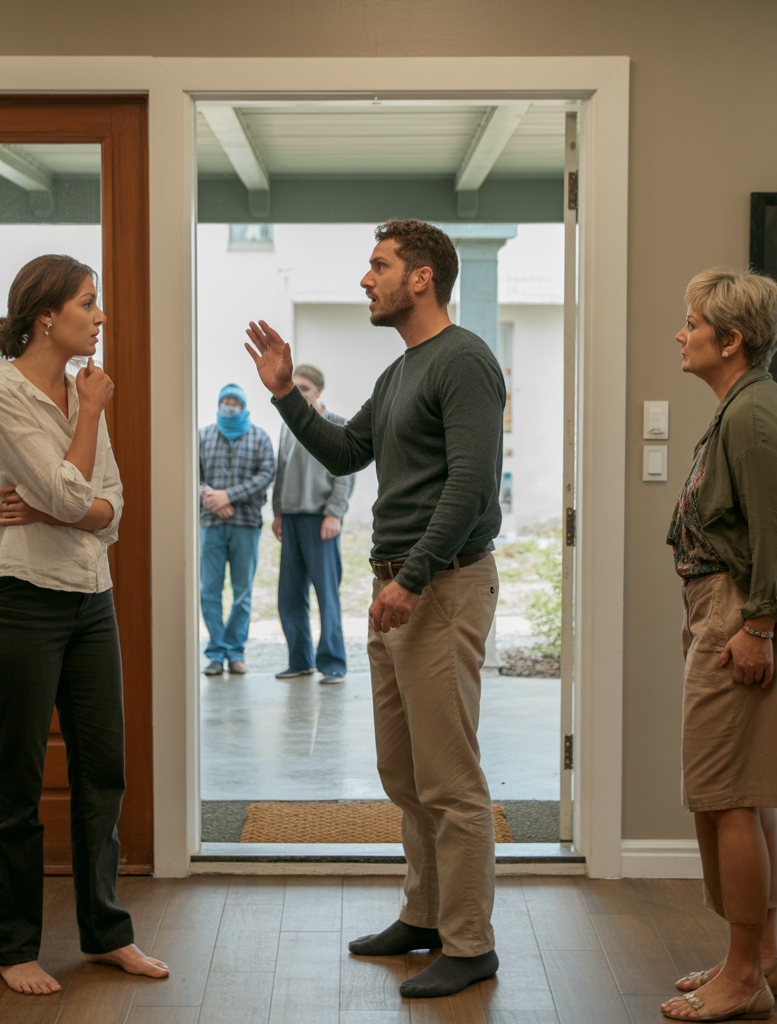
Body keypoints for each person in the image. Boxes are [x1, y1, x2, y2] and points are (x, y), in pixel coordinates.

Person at [246, 219, 505, 999]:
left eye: (380, 265)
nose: (367, 278)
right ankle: (424, 916)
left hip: (439, 586)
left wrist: (414, 578)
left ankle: (470, 943)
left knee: (451, 780)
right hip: (397, 588)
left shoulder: (464, 362)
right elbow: (346, 452)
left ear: (422, 277)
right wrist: (285, 394)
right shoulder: (402, 372)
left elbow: (469, 487)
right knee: (406, 772)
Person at [0, 254, 168, 996]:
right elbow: (68, 488)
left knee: (102, 772)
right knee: (16, 781)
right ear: (47, 315)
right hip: (19, 598)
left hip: (90, 597)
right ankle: (13, 947)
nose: (100, 315)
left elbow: (107, 507)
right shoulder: (1, 396)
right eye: (89, 303)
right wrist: (82, 440)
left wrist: (64, 503)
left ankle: (106, 932)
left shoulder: (82, 392)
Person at [661, 269, 777, 1022]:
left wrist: (758, 627)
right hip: (734, 607)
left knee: (724, 797)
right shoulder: (746, 406)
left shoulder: (752, 414)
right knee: (743, 794)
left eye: (691, 324)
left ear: (732, 340)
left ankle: (744, 973)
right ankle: (761, 959)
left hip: (742, 612)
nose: (680, 335)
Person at [272, 363, 354, 685]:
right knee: (289, 596)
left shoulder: (337, 425)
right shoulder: (288, 425)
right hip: (290, 520)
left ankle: (333, 664)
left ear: (318, 391)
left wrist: (335, 513)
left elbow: (345, 473)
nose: (299, 393)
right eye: (296, 388)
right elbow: (281, 470)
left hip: (322, 521)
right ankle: (299, 660)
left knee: (327, 595)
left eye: (304, 388)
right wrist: (278, 511)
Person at [199, 382, 275, 676]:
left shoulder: (260, 438)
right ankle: (216, 652)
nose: (229, 406)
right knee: (209, 590)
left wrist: (229, 496)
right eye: (225, 401)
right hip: (211, 525)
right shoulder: (203, 436)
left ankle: (236, 651)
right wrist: (212, 498)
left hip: (246, 526)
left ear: (244, 406)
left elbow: (267, 473)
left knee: (242, 591)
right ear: (218, 404)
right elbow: (192, 474)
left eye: (235, 402)